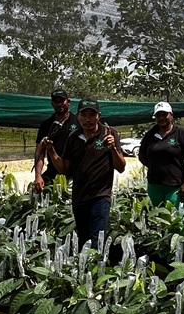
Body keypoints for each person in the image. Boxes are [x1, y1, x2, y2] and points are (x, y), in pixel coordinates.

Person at [43, 98, 126, 248]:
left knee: (97, 242)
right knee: (83, 241)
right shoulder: (73, 137)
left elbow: (121, 167)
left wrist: (112, 148)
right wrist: (51, 151)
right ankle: (85, 270)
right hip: (79, 197)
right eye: (84, 115)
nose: (88, 119)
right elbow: (64, 168)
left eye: (92, 115)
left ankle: (98, 270)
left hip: (100, 197)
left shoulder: (108, 133)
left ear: (98, 116)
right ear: (78, 116)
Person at [138, 101, 184, 207]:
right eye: (158, 115)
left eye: (164, 114)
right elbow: (142, 155)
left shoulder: (181, 133)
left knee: (174, 220)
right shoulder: (151, 134)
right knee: (157, 218)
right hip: (155, 185)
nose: (161, 118)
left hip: (176, 185)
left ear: (171, 115)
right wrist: (154, 166)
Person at [33, 88, 79, 192]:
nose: (59, 104)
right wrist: (38, 176)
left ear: (68, 102)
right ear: (52, 104)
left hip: (75, 174)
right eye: (56, 101)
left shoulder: (78, 122)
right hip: (53, 172)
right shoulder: (46, 125)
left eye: (62, 101)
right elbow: (39, 152)